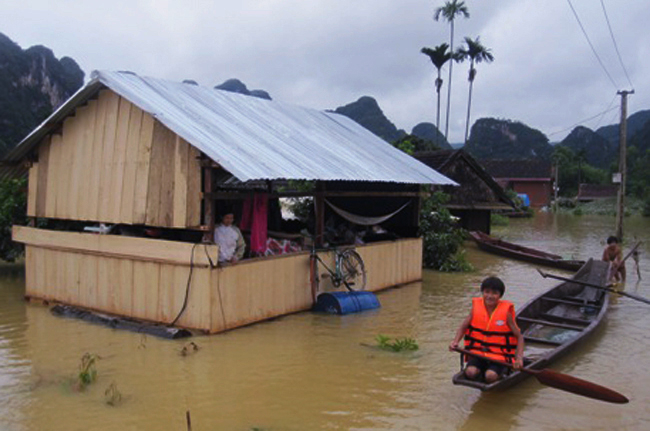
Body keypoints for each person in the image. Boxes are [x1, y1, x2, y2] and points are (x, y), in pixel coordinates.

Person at [449, 277, 524, 383]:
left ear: (500, 295)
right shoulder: (476, 308)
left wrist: (519, 358)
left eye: (494, 293)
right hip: (478, 353)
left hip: (498, 356)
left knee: (490, 376)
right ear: (482, 292)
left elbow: (519, 337)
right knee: (470, 372)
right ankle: (483, 370)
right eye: (487, 292)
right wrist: (455, 341)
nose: (489, 296)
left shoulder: (506, 313)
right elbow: (463, 326)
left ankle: (497, 372)